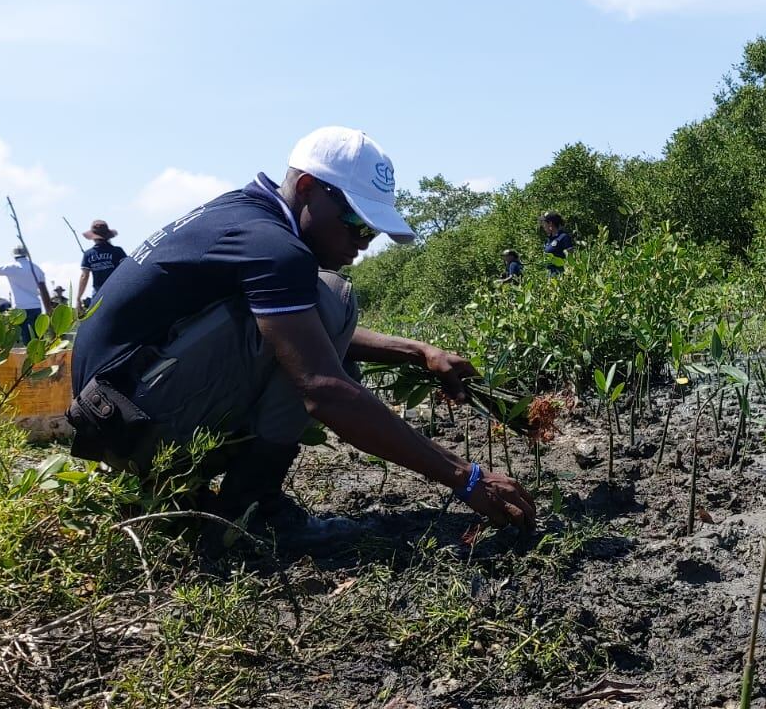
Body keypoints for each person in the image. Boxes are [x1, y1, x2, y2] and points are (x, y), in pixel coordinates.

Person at [67, 126, 535, 538]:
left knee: (323, 305)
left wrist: (418, 352)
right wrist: (465, 477)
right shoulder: (274, 248)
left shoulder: (248, 217)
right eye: (355, 224)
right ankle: (254, 508)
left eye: (370, 233)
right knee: (332, 297)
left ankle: (209, 498)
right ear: (309, 187)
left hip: (124, 417)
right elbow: (322, 390)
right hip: (135, 423)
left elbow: (291, 333)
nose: (360, 245)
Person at [0, 245, 51, 344]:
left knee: (26, 342)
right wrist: (49, 310)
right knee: (38, 340)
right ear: (26, 254)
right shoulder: (36, 268)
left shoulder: (13, 267)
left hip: (20, 309)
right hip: (36, 307)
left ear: (14, 255)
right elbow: (44, 291)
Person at [76, 219, 125, 308]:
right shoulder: (118, 251)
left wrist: (78, 298)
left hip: (98, 292)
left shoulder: (88, 254)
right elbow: (126, 270)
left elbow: (84, 276)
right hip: (116, 289)